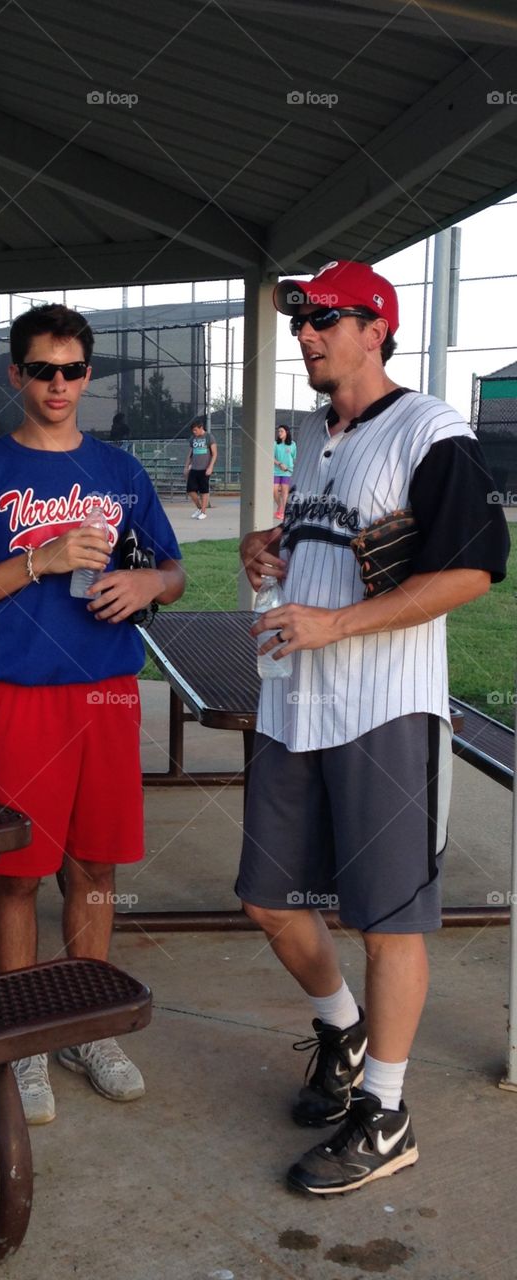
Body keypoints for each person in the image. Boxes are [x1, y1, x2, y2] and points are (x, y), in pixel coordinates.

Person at [238, 260, 509, 1196]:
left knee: (385, 920)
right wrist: (268, 551)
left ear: (375, 327)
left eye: (323, 319)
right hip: (293, 706)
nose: (305, 334)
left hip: (384, 710)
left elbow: (473, 570)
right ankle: (341, 1029)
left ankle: (385, 1113)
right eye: (301, 321)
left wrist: (337, 623)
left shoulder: (431, 429)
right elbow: (328, 546)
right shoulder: (318, 436)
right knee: (269, 902)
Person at [0, 303, 184, 1125]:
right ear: (17, 375)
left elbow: (172, 569)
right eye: (43, 370)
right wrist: (37, 559)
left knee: (97, 867)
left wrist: (149, 584)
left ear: (87, 376)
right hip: (22, 696)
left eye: (73, 371)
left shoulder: (119, 471)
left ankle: (82, 1023)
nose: (59, 385)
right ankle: (20, 1037)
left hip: (107, 693)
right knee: (18, 872)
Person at [184, 417, 217, 519]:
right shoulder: (193, 439)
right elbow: (190, 454)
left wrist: (210, 467)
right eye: (193, 430)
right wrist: (186, 467)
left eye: (195, 430)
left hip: (205, 469)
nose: (194, 432)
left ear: (201, 427)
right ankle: (199, 508)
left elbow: (215, 454)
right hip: (194, 468)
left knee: (204, 491)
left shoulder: (209, 437)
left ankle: (203, 512)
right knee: (190, 490)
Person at [273, 424, 296, 520]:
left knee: (284, 491)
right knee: (273, 490)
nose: (279, 433)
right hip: (276, 471)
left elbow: (294, 458)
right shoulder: (275, 444)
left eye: (281, 431)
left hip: (287, 472)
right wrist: (279, 464)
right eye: (278, 431)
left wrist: (290, 468)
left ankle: (283, 511)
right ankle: (280, 507)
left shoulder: (293, 444)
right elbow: (271, 457)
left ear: (286, 432)